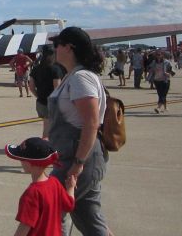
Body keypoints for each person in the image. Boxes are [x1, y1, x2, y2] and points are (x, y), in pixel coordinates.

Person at [48, 27, 111, 235]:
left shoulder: (80, 78)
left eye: (58, 44)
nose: (54, 48)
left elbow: (91, 123)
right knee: (88, 219)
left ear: (69, 47)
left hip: (78, 158)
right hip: (71, 156)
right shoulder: (71, 76)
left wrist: (78, 164)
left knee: (51, 208)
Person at [5, 137, 76, 236]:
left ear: (28, 163)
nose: (20, 162)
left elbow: (24, 227)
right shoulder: (54, 183)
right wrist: (71, 187)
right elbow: (69, 204)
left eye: (21, 159)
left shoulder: (32, 194)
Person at [28, 46, 63, 138]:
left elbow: (31, 86)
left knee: (46, 126)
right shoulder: (55, 69)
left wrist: (38, 95)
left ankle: (47, 145)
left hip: (40, 102)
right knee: (50, 129)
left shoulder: (35, 68)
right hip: (52, 104)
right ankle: (47, 148)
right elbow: (57, 89)